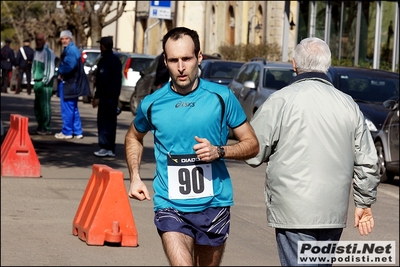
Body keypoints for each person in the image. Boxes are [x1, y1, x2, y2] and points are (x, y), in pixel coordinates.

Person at [124, 27, 259, 266]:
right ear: (165, 61)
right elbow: (133, 137)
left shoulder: (221, 97)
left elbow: (252, 145)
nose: (181, 66)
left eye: (186, 58)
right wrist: (134, 177)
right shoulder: (153, 103)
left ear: (199, 57)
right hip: (170, 204)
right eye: (174, 60)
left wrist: (220, 151)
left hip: (213, 204)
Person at [245, 37, 380, 266]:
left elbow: (253, 151)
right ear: (327, 66)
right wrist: (363, 203)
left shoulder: (280, 100)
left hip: (292, 211)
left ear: (294, 64)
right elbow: (367, 161)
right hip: (332, 213)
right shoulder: (348, 104)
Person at [55, 30, 90, 140]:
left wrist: (60, 71)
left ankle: (67, 132)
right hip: (73, 84)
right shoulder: (72, 50)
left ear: (70, 39)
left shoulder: (70, 50)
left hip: (69, 83)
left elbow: (70, 65)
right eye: (62, 38)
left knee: (67, 109)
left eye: (66, 38)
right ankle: (77, 131)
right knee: (73, 108)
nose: (64, 40)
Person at [92, 36, 122, 157]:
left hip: (106, 97)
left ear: (103, 46)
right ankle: (110, 147)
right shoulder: (116, 60)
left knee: (104, 122)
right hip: (114, 96)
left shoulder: (105, 60)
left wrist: (97, 96)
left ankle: (105, 146)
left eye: (101, 45)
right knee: (111, 122)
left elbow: (102, 80)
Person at [32, 33, 56, 135]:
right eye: (37, 39)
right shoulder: (36, 52)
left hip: (44, 83)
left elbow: (49, 69)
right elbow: (33, 66)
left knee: (45, 105)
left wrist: (44, 81)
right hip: (37, 82)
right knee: (37, 106)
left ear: (45, 40)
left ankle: (46, 127)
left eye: (40, 40)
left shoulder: (48, 52)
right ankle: (40, 125)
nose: (38, 42)